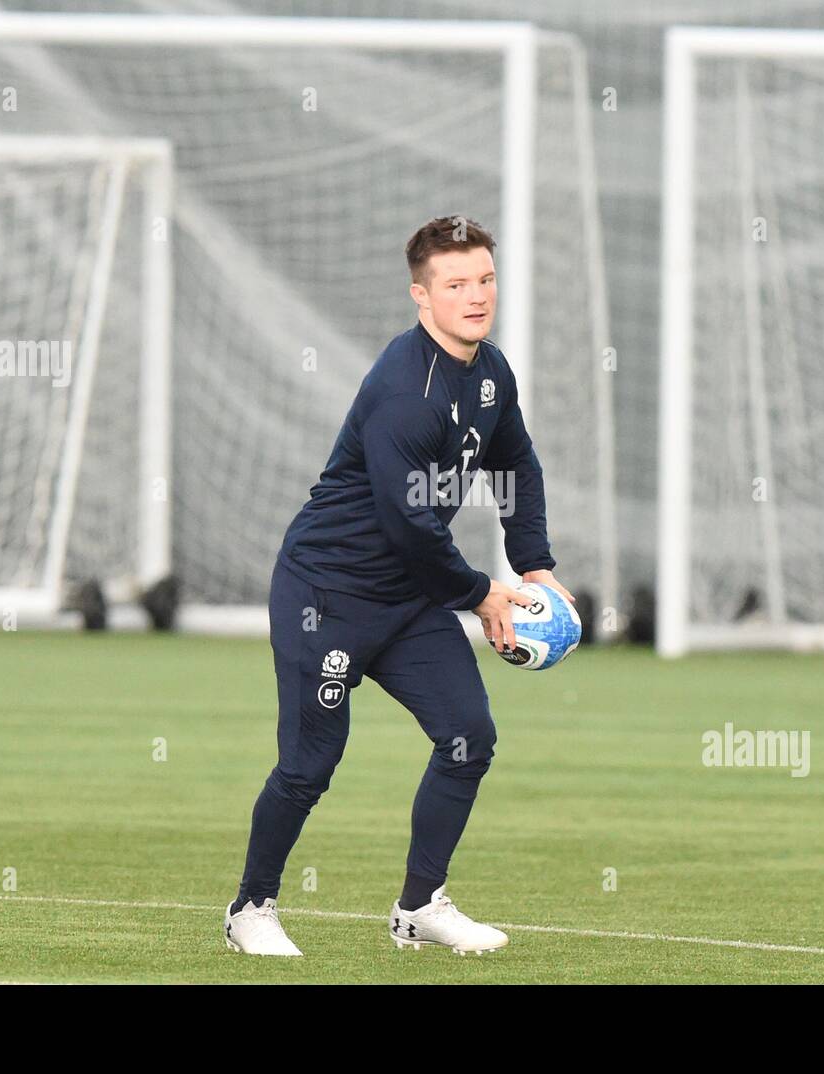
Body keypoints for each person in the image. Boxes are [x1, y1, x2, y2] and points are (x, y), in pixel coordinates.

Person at [225, 216, 574, 956]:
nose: (476, 296)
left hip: (409, 599)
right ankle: (250, 908)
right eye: (456, 284)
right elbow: (409, 523)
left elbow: (516, 464)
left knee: (468, 737)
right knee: (310, 764)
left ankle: (420, 907)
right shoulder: (405, 390)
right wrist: (481, 594)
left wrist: (534, 564)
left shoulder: (491, 373)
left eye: (485, 279)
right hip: (328, 594)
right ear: (421, 295)